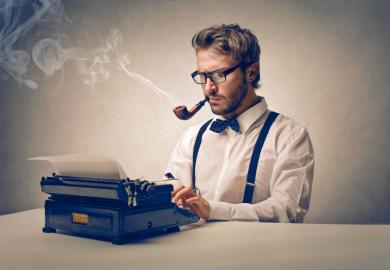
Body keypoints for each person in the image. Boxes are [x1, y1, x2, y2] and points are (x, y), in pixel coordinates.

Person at [165, 24, 314, 223]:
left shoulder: (289, 136)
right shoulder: (191, 138)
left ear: (251, 72)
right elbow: (170, 203)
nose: (209, 88)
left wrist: (213, 210)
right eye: (203, 76)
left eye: (219, 74)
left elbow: (287, 211)